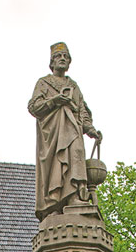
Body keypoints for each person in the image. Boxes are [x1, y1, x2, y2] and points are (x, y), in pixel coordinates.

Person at [28, 42, 102, 220]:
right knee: (55, 167)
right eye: (58, 57)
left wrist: (91, 129)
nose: (62, 59)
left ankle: (75, 197)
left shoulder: (74, 86)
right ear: (51, 62)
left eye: (66, 57)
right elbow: (34, 107)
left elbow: (82, 111)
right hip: (52, 137)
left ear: (69, 63)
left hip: (73, 132)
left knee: (76, 155)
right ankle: (54, 204)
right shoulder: (44, 83)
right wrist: (55, 101)